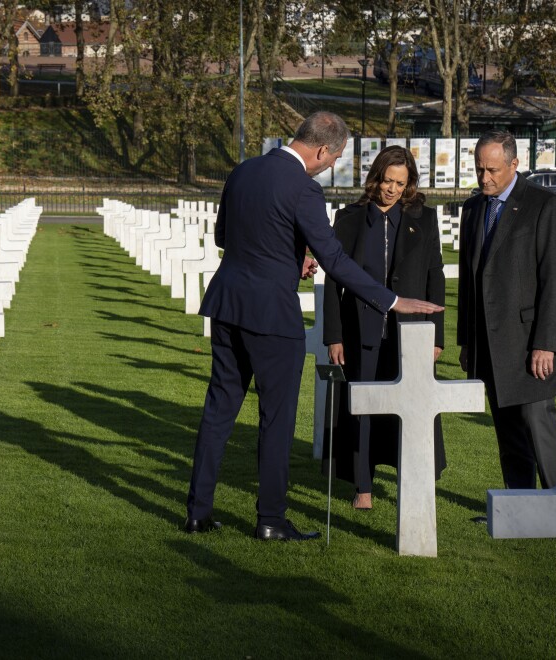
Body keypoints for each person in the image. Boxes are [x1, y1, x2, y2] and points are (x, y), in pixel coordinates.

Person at [185, 112, 444, 541]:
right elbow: (336, 260)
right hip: (271, 317)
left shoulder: (244, 170)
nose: (331, 165)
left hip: (228, 305)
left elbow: (224, 237)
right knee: (276, 420)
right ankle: (270, 519)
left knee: (218, 411)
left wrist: (290, 257)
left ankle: (198, 511)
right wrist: (392, 300)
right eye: (335, 158)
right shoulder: (304, 187)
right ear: (323, 149)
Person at [322, 145, 446, 510]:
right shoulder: (349, 219)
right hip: (360, 328)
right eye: (387, 180)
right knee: (363, 405)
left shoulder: (425, 219)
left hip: (410, 330)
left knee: (412, 407)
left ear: (409, 184)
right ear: (376, 177)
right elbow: (332, 282)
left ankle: (416, 476)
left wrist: (436, 333)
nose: (391, 189)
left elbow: (434, 274)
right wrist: (334, 335)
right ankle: (363, 485)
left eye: (400, 183)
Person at [457, 130, 556, 491]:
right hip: (492, 343)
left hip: (531, 343)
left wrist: (546, 343)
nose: (484, 178)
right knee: (507, 428)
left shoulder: (545, 206)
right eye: (479, 169)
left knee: (537, 420)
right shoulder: (473, 208)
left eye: (492, 170)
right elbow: (469, 280)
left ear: (514, 164)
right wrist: (468, 341)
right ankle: (518, 506)